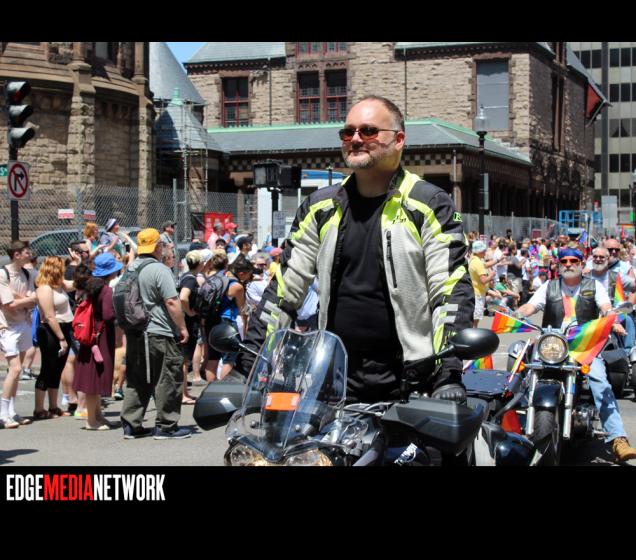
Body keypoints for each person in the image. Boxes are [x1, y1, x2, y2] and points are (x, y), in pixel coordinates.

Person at [237, 95, 474, 405]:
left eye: (369, 131)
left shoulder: (428, 203)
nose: (356, 139)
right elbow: (284, 291)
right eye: (348, 132)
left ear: (398, 140)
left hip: (412, 380)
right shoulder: (320, 207)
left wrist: (448, 372)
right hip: (333, 376)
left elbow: (449, 288)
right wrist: (247, 364)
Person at [515, 247, 636, 462]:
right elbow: (531, 306)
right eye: (564, 261)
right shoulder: (549, 286)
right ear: (559, 265)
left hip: (584, 345)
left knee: (599, 381)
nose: (568, 265)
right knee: (522, 371)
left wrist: (612, 320)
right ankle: (515, 426)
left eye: (573, 261)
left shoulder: (594, 285)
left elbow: (606, 307)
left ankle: (618, 438)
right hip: (553, 344)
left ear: (581, 264)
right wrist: (515, 313)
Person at [119, 228, 191, 440]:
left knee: (137, 377)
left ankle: (131, 425)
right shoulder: (159, 270)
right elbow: (171, 301)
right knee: (167, 377)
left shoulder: (131, 267)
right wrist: (182, 327)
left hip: (135, 330)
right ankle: (167, 426)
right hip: (159, 331)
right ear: (158, 246)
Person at [73, 253, 122, 430]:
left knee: (94, 377)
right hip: (101, 337)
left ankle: (98, 416)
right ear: (111, 272)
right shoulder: (106, 290)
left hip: (90, 336)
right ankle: (92, 421)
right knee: (95, 380)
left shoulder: (91, 286)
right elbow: (108, 315)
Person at [0, 241, 37, 428]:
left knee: (17, 371)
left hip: (24, 323)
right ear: (16, 254)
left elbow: (33, 301)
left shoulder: (27, 274)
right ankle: (3, 414)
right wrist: (26, 299)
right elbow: (9, 305)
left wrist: (19, 297)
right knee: (14, 369)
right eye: (26, 252)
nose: (30, 254)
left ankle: (12, 412)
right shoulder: (3, 274)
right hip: (7, 327)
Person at [33, 257, 74, 420]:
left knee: (58, 368)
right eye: (61, 268)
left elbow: (76, 284)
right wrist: (61, 339)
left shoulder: (59, 285)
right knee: (47, 368)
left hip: (65, 328)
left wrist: (80, 262)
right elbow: (49, 316)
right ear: (54, 269)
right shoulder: (44, 288)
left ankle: (53, 406)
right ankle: (38, 408)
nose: (64, 271)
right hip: (51, 331)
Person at [203, 250, 246, 380]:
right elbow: (242, 308)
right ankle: (224, 386)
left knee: (213, 358)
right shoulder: (233, 285)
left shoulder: (208, 281)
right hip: (226, 322)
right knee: (230, 357)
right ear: (227, 264)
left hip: (210, 321)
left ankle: (211, 387)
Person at [587, 246, 636, 351]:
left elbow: (633, 285)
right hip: (590, 313)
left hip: (614, 312)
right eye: (595, 257)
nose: (598, 259)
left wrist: (629, 303)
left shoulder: (616, 276)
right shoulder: (585, 276)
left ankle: (629, 351)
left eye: (601, 257)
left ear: (608, 259)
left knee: (627, 319)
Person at [179, 250, 207, 391]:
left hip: (188, 322)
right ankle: (184, 393)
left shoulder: (187, 276)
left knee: (185, 359)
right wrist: (189, 312)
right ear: (200, 264)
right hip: (188, 323)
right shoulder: (190, 279)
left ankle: (184, 391)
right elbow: (183, 297)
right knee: (184, 360)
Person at [469, 241, 496, 327]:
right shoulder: (478, 263)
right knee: (476, 318)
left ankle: (473, 331)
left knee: (474, 318)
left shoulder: (473, 260)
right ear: (479, 251)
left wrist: (498, 260)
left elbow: (486, 265)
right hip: (478, 293)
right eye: (484, 251)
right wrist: (491, 275)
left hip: (475, 291)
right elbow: (483, 280)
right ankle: (474, 332)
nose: (485, 253)